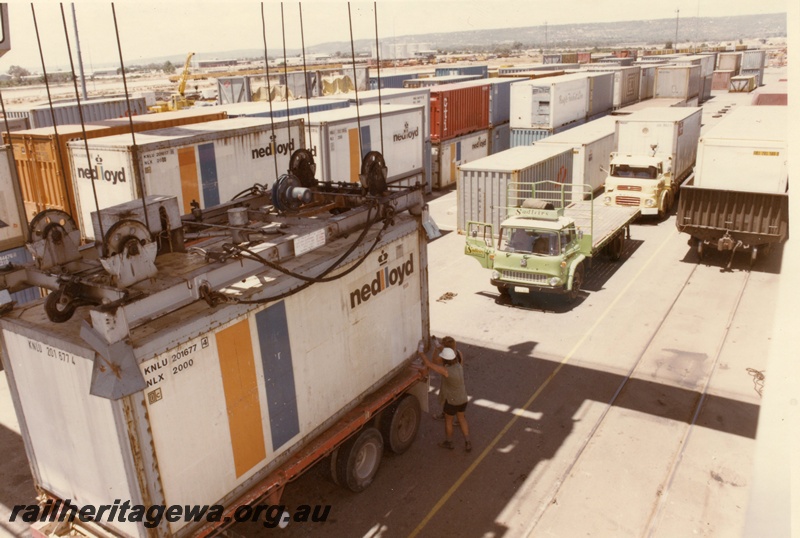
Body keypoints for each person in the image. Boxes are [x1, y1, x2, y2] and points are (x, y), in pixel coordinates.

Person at [418, 340, 472, 452]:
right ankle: (467, 442)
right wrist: (439, 346)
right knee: (461, 419)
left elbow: (429, 364)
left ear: (444, 359)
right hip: (463, 399)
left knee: (448, 421)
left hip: (452, 401)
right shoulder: (458, 364)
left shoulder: (446, 370)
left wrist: (421, 352)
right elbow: (448, 355)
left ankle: (449, 442)